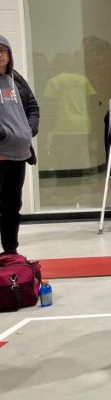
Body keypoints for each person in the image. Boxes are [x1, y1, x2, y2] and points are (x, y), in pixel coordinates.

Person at [0, 36, 40, 255]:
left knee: (12, 207)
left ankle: (10, 253)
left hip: (19, 156)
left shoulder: (16, 79)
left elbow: (33, 107)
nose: (0, 55)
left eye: (3, 50)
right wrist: (5, 134)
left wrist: (28, 130)